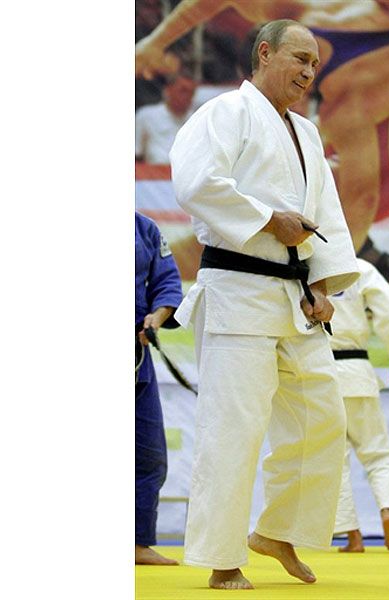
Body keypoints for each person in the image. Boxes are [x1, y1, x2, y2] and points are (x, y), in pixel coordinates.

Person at [169, 20, 359, 590]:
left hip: (294, 297)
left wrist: (323, 284)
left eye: (315, 64)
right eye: (300, 58)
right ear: (265, 52)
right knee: (234, 429)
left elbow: (327, 215)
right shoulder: (225, 113)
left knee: (323, 418)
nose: (308, 72)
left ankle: (277, 532)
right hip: (237, 290)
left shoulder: (306, 132)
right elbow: (196, 182)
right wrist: (267, 219)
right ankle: (223, 558)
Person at [134, 0, 389, 278]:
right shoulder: (311, 27)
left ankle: (151, 270)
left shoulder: (346, 98)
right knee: (268, 203)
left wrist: (156, 43)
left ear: (265, 56)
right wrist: (154, 43)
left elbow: (362, 200)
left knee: (271, 210)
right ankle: (153, 270)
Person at [329, 258, 389, 553]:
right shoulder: (358, 268)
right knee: (378, 454)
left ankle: (353, 536)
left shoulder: (304, 265)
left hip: (318, 373)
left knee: (333, 459)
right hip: (357, 371)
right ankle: (387, 512)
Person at [135, 212, 183, 565]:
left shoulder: (144, 228)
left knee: (148, 454)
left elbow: (166, 281)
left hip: (136, 353)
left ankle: (136, 541)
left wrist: (157, 316)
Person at [135, 73, 198, 164]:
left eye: (192, 93)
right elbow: (136, 153)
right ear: (168, 91)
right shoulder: (146, 116)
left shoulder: (197, 120)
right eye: (183, 91)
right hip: (153, 170)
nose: (187, 96)